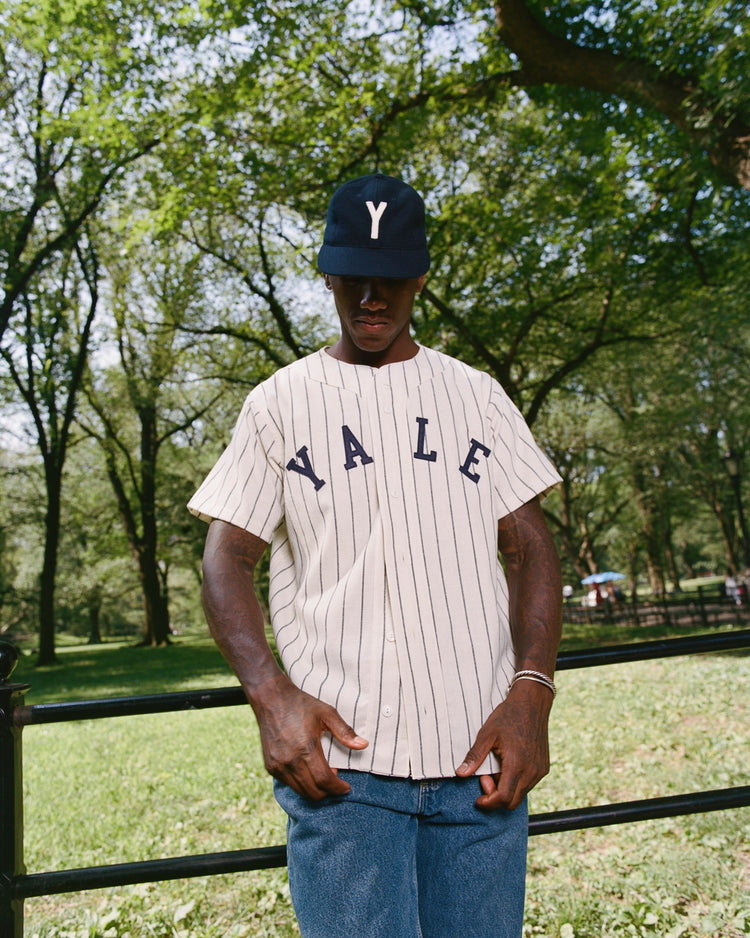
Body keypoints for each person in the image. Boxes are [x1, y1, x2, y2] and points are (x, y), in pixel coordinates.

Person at [188, 172, 563, 937]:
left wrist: (533, 694)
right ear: (325, 270)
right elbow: (226, 558)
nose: (370, 296)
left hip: (481, 766)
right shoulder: (280, 403)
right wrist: (270, 696)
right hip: (344, 775)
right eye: (353, 274)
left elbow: (530, 550)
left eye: (390, 277)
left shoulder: (477, 395)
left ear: (420, 275)